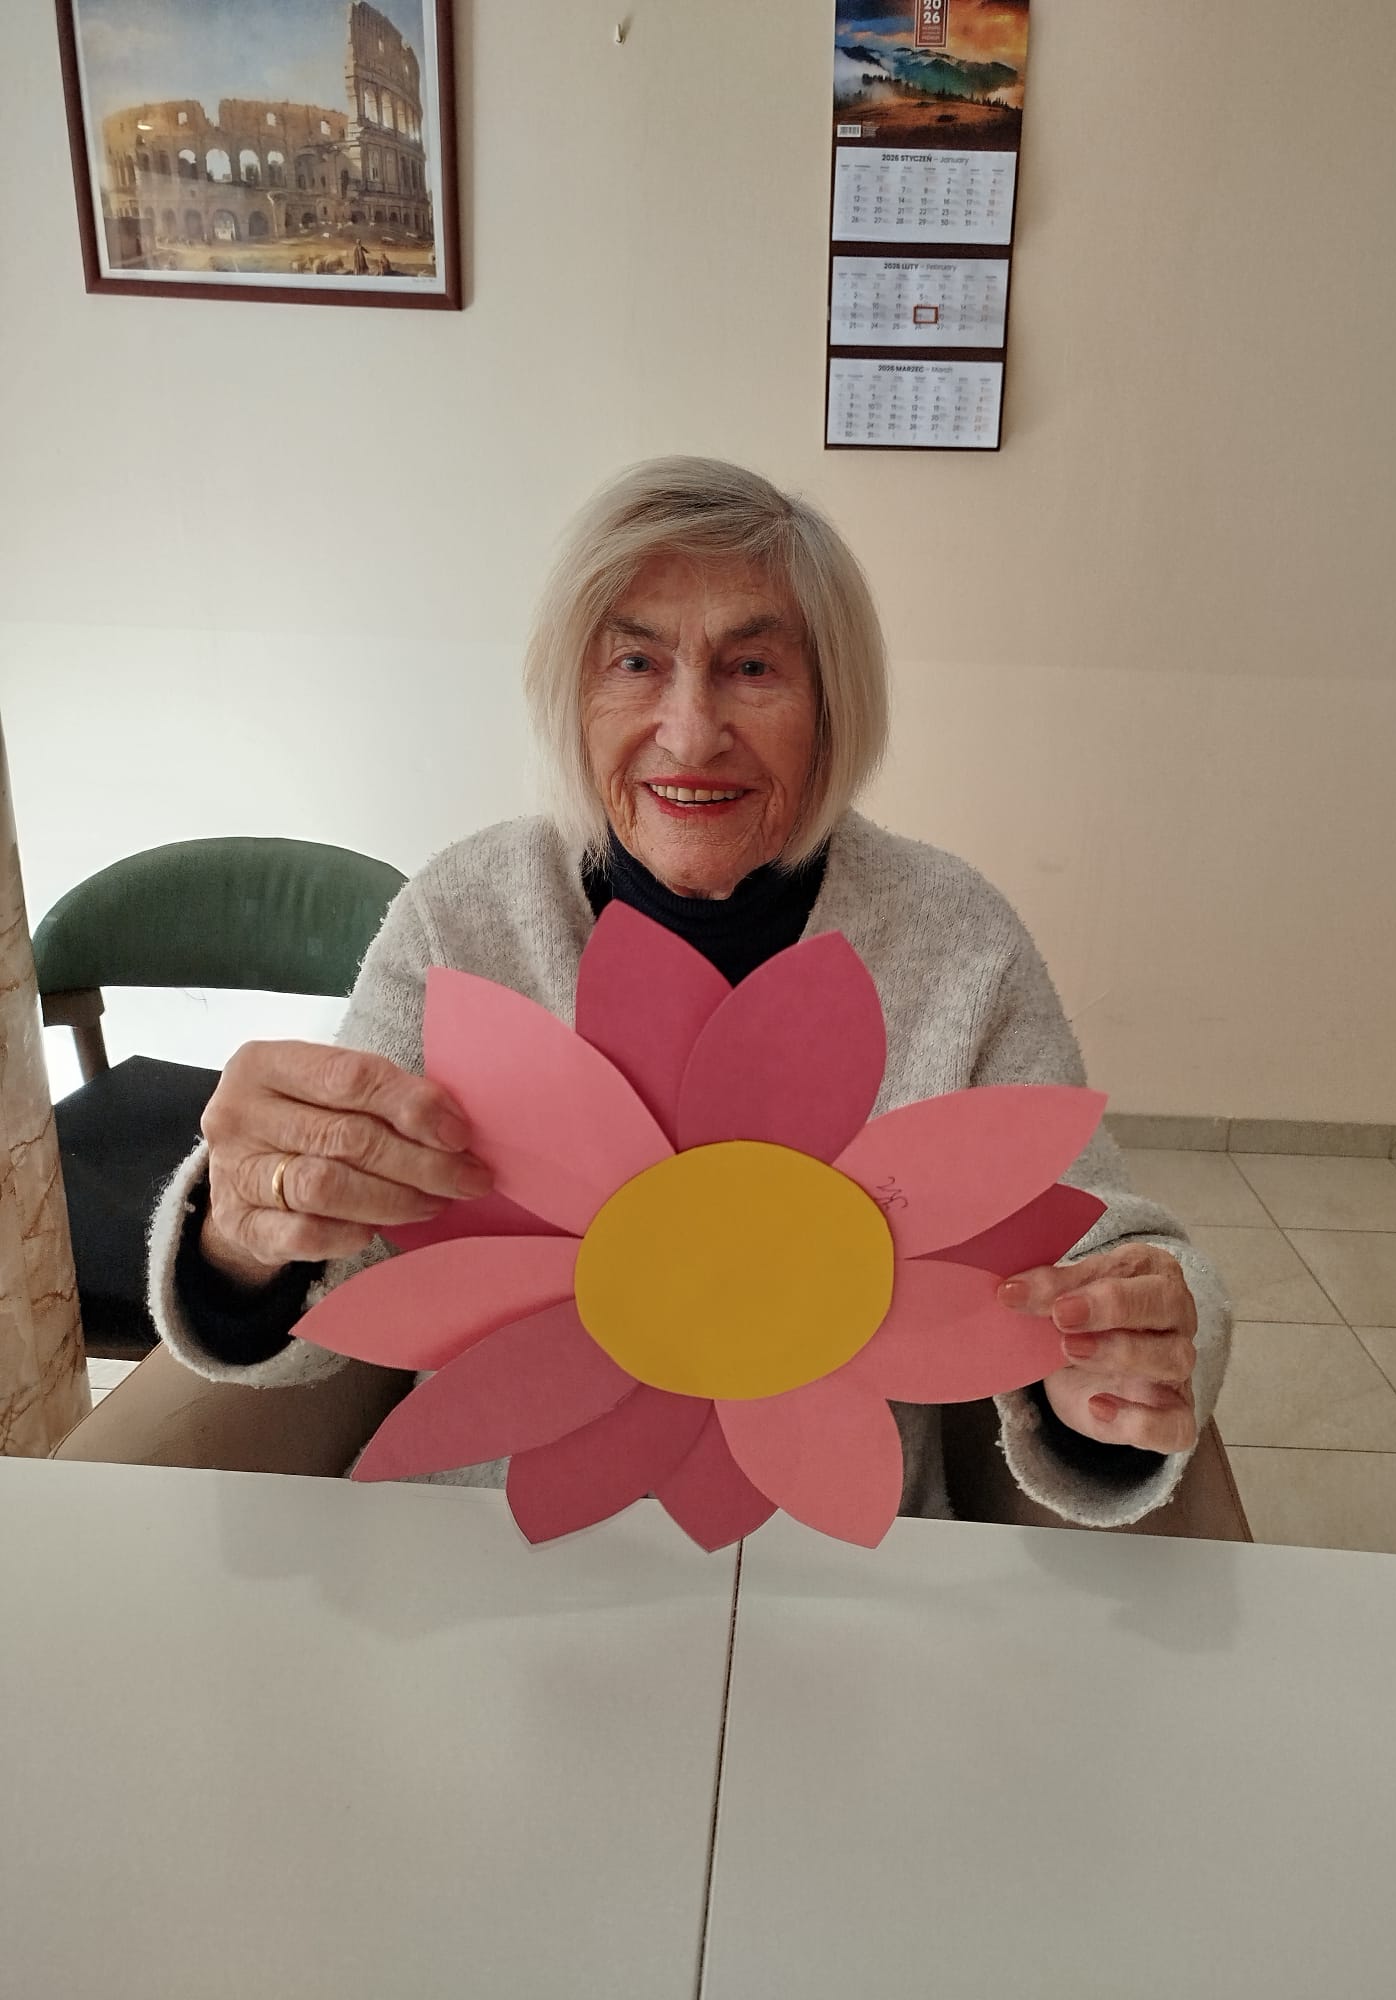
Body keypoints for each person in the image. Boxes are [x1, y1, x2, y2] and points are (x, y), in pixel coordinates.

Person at [144, 458, 1229, 1529]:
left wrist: (1126, 1348)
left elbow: (1100, 1235)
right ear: (573, 695)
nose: (691, 730)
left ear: (833, 706)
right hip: (490, 1538)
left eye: (752, 667)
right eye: (636, 662)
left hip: (843, 1545)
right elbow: (344, 1267)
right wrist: (241, 1234)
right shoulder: (464, 914)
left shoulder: (956, 938)